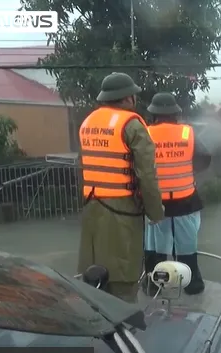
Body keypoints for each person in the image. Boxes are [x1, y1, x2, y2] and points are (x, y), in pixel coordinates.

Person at [77, 72, 164, 302]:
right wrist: (155, 212)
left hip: (92, 208)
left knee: (94, 276)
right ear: (127, 98)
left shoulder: (88, 122)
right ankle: (125, 331)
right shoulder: (131, 124)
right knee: (122, 279)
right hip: (122, 212)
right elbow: (147, 174)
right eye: (133, 95)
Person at [142, 92, 211, 296]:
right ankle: (192, 285)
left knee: (155, 245)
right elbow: (205, 157)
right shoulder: (187, 133)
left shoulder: (145, 133)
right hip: (185, 200)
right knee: (187, 244)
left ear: (154, 114)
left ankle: (153, 285)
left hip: (156, 201)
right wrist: (188, 171)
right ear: (175, 114)